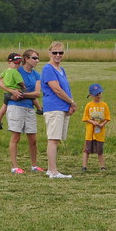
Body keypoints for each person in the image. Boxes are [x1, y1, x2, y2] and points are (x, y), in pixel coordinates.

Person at [0, 48, 44, 174]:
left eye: (38, 58)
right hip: (15, 107)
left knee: (33, 139)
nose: (37, 61)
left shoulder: (36, 75)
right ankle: (15, 166)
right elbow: (0, 83)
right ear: (26, 59)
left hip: (29, 108)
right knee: (16, 137)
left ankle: (34, 165)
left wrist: (23, 95)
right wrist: (12, 92)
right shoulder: (16, 69)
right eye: (34, 58)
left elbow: (37, 93)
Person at [41, 41, 76, 179]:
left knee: (57, 138)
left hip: (62, 107)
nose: (58, 55)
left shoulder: (62, 70)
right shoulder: (48, 69)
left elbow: (65, 88)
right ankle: (54, 171)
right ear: (49, 53)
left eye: (60, 52)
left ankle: (51, 169)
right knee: (53, 139)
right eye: (55, 52)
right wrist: (72, 102)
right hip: (54, 107)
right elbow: (56, 89)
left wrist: (69, 105)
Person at [81, 83, 111, 171]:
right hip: (90, 133)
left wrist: (102, 124)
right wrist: (92, 122)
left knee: (100, 151)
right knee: (87, 150)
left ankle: (102, 166)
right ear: (91, 95)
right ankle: (84, 166)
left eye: (99, 93)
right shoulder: (89, 105)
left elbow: (107, 117)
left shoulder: (104, 105)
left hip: (100, 133)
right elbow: (85, 118)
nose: (98, 96)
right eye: (96, 94)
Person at [0, 53, 22, 129]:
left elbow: (0, 77)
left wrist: (5, 82)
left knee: (4, 105)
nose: (17, 65)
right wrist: (23, 87)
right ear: (9, 62)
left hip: (6, 93)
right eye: (15, 63)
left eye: (19, 63)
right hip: (12, 92)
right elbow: (20, 82)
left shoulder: (5, 71)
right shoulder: (15, 72)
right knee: (22, 96)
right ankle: (39, 109)